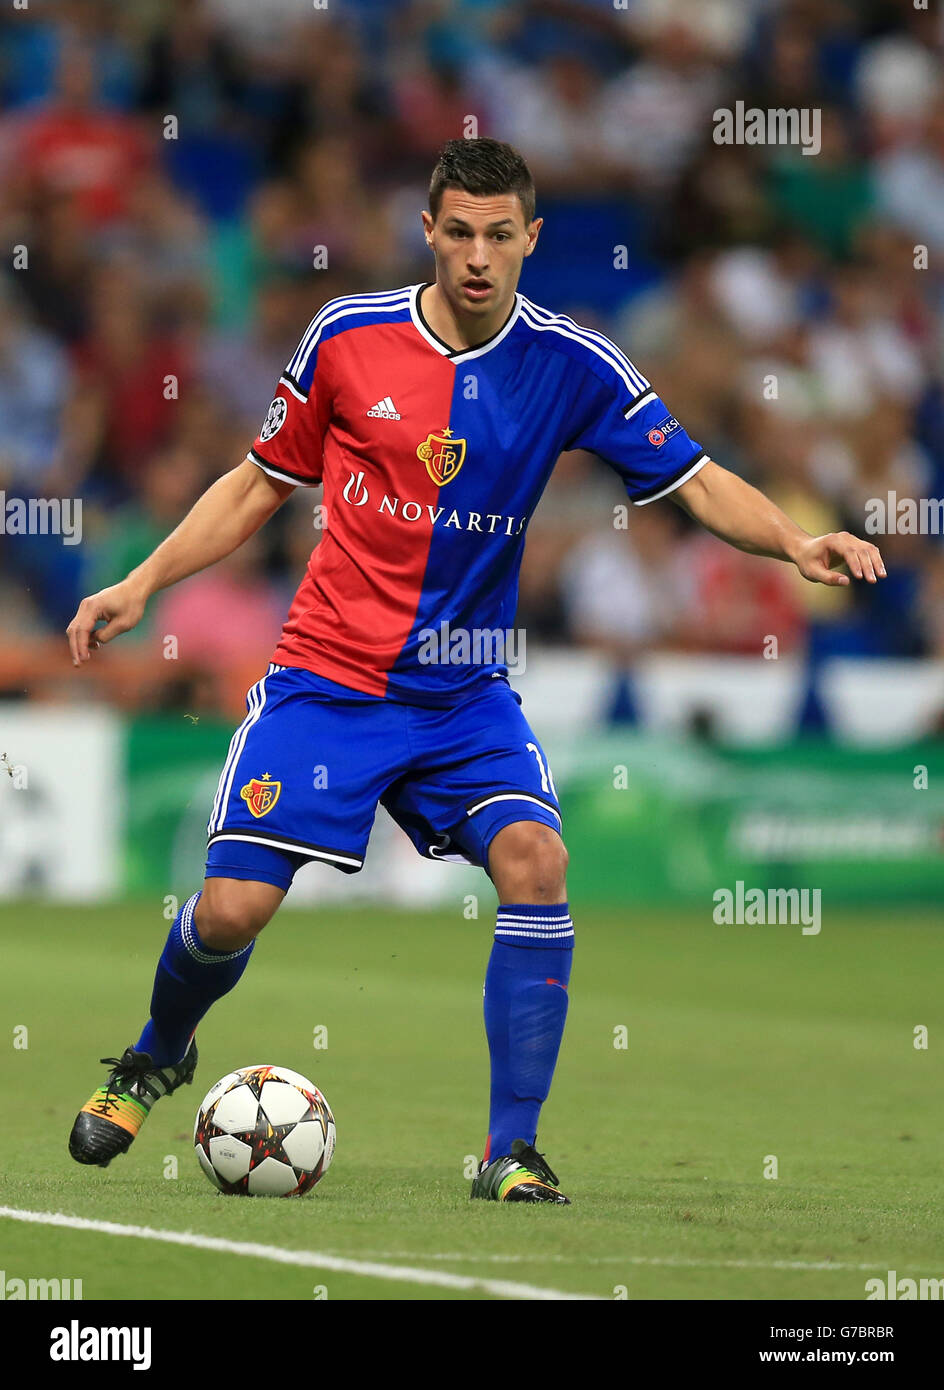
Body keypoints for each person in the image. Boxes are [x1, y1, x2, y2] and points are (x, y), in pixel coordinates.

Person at [66, 138, 885, 1203]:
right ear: (428, 233)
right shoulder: (346, 338)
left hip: (462, 696)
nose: (477, 255)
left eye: (500, 235)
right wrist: (141, 583)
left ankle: (510, 1147)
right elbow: (257, 484)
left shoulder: (573, 364)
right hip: (329, 682)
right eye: (458, 232)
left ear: (531, 239)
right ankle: (154, 1054)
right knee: (228, 913)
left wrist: (792, 541)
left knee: (536, 863)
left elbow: (693, 479)